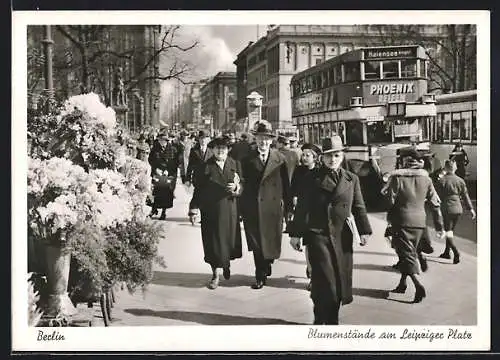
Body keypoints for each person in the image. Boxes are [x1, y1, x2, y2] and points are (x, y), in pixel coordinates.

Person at [288, 135, 372, 325]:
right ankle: (322, 317)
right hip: (318, 235)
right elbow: (302, 208)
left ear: (342, 156)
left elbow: (359, 206)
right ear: (321, 158)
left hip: (342, 237)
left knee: (340, 279)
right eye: (328, 156)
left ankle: (330, 318)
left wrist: (364, 230)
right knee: (326, 281)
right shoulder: (311, 178)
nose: (332, 160)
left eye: (336, 155)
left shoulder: (352, 179)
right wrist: (295, 234)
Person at [382, 148, 443, 303]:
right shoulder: (427, 179)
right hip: (420, 223)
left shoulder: (397, 178)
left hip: (401, 221)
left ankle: (418, 285)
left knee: (405, 255)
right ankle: (402, 284)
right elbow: (435, 203)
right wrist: (439, 226)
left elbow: (389, 201)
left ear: (404, 161)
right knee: (408, 253)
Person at [240, 120, 292, 289]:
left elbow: (286, 185)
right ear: (255, 139)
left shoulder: (280, 158)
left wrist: (289, 208)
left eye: (267, 139)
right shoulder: (247, 159)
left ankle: (268, 262)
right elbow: (243, 183)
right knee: (257, 244)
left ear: (272, 141)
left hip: (273, 207)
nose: (263, 142)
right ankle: (260, 275)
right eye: (260, 138)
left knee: (270, 242)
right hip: (253, 207)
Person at [188, 136, 243, 289]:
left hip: (229, 209)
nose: (220, 151)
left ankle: (226, 264)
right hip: (210, 209)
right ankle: (215, 275)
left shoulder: (235, 164)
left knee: (227, 241)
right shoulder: (204, 167)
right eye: (217, 148)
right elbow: (198, 190)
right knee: (212, 242)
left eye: (223, 148)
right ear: (212, 150)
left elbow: (243, 183)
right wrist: (193, 209)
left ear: (228, 150)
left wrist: (237, 189)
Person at [288, 142, 322, 291]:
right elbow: (292, 190)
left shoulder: (320, 172)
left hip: (316, 213)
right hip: (302, 212)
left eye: (308, 155)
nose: (304, 157)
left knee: (314, 245)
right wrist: (292, 202)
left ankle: (314, 276)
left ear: (315, 157)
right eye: (303, 154)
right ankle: (311, 271)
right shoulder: (299, 171)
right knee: (307, 244)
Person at [436, 159, 476, 264]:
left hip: (447, 208)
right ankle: (446, 252)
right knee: (450, 231)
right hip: (458, 208)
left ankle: (456, 252)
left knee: (448, 232)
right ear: (455, 168)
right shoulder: (460, 181)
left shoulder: (442, 181)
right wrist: (471, 209)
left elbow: (437, 197)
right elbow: (466, 196)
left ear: (445, 168)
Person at [148, 130, 185, 220]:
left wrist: (168, 171)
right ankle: (154, 209)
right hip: (158, 172)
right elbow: (151, 159)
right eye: (160, 140)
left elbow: (176, 162)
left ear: (167, 141)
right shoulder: (155, 148)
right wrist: (156, 168)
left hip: (169, 173)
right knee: (156, 191)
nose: (162, 142)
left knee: (167, 192)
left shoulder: (173, 149)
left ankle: (164, 212)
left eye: (163, 140)